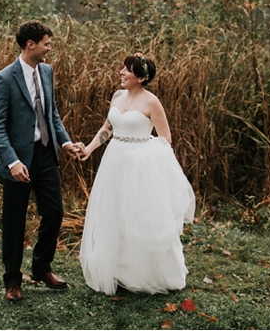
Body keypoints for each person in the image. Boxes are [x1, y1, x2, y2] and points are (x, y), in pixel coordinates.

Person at [78, 53, 195, 295]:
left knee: (137, 215)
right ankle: (116, 271)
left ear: (140, 78)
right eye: (122, 68)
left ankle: (142, 273)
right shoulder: (118, 96)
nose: (121, 72)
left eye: (127, 70)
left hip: (139, 165)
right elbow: (108, 128)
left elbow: (165, 139)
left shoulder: (152, 102)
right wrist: (89, 149)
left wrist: (143, 155)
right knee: (113, 212)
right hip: (114, 160)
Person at [0, 21, 81, 302]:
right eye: (46, 44)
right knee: (14, 223)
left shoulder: (47, 72)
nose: (49, 49)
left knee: (54, 213)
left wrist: (64, 143)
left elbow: (51, 113)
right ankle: (13, 282)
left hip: (45, 155)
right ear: (31, 45)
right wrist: (13, 162)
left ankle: (41, 268)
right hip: (18, 162)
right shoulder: (4, 79)